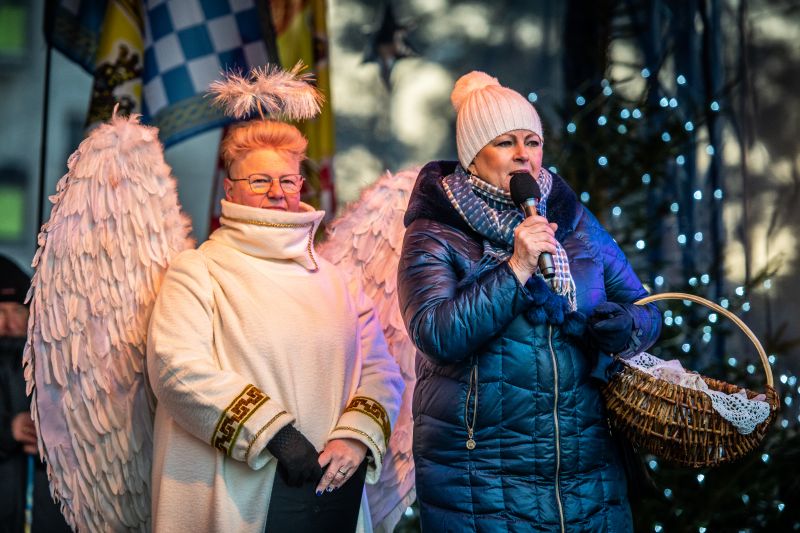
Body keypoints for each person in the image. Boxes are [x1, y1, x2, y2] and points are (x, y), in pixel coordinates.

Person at [397, 71, 662, 531]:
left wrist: (626, 327)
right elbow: (435, 332)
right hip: (486, 480)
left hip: (588, 473)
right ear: (472, 158)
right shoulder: (435, 232)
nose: (523, 154)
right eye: (504, 142)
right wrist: (516, 267)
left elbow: (646, 307)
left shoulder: (572, 220)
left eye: (532, 141)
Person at [146, 119, 404, 532]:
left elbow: (381, 370)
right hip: (235, 498)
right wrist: (274, 435)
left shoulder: (337, 281)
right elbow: (175, 369)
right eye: (260, 180)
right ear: (230, 190)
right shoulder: (198, 270)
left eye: (287, 180)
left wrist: (354, 438)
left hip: (328, 497)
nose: (276, 193)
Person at [0, 256, 71, 533]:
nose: (8, 322)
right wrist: (8, 429)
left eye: (17, 310)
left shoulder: (55, 365)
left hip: (44, 509)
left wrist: (50, 439)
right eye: (0, 311)